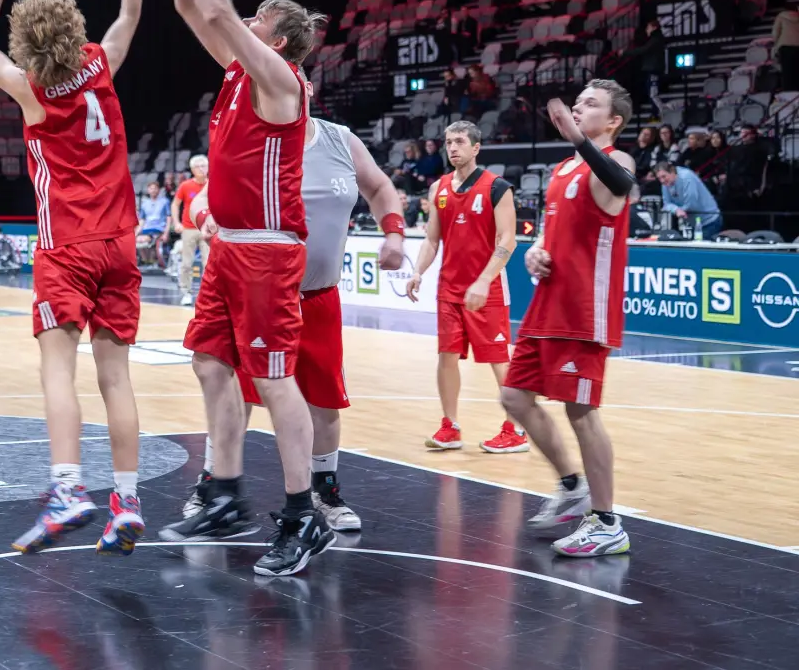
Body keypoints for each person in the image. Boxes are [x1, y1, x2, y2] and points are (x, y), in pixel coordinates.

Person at [143, 0, 333, 576]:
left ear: (276, 37)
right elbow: (193, 7)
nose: (241, 23)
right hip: (226, 249)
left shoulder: (282, 82)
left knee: (275, 380)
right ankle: (223, 491)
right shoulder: (235, 73)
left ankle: (302, 513)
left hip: (268, 255)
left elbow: (218, 8)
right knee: (210, 363)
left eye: (256, 19)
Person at [0, 0, 151, 555]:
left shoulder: (32, 92)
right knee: (117, 379)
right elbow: (130, 11)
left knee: (56, 368)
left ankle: (68, 489)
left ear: (28, 45)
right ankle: (126, 503)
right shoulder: (101, 64)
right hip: (122, 245)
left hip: (67, 245)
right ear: (75, 31)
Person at [185, 110, 407, 534]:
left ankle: (325, 491)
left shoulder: (340, 139)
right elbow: (202, 197)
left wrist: (394, 231)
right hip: (258, 293)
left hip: (318, 294)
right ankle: (213, 483)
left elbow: (378, 186)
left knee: (324, 399)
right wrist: (203, 218)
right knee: (239, 393)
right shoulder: (251, 137)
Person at [501, 81, 635, 558]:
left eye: (591, 105)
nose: (579, 108)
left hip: (583, 310)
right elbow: (557, 233)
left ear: (613, 121)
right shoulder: (562, 169)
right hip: (547, 307)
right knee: (514, 397)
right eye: (577, 103)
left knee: (581, 411)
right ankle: (572, 484)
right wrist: (537, 252)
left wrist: (580, 140)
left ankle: (607, 522)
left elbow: (623, 188)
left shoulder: (617, 161)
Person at [406, 121, 527, 454]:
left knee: (499, 360)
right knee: (446, 357)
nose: (452, 148)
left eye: (459, 141)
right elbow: (432, 239)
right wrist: (417, 271)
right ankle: (450, 426)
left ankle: (515, 428)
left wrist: (484, 281)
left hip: (487, 290)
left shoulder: (497, 187)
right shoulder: (439, 188)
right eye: (448, 142)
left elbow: (508, 240)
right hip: (449, 289)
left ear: (476, 147)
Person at [170, 154, 209, 306]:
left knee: (208, 264)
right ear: (192, 169)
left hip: (207, 229)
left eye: (204, 165)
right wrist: (177, 222)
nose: (201, 169)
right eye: (198, 166)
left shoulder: (213, 183)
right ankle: (186, 292)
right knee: (187, 263)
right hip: (189, 229)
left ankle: (206, 294)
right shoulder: (185, 186)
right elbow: (175, 204)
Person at [652, 162, 722, 238]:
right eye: (659, 178)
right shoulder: (666, 183)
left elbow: (691, 205)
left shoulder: (686, 177)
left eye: (664, 176)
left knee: (699, 249)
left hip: (709, 221)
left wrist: (678, 210)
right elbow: (666, 204)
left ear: (672, 172)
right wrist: (676, 210)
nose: (662, 181)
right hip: (692, 223)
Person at [136, 181, 171, 267]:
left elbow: (169, 217)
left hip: (159, 229)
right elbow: (142, 219)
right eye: (151, 188)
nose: (153, 190)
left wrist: (166, 232)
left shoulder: (165, 201)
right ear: (148, 190)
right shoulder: (144, 203)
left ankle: (153, 260)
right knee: (138, 240)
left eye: (155, 188)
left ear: (158, 190)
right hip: (147, 229)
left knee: (146, 240)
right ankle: (147, 260)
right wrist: (136, 232)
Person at [773, 0, 799, 91]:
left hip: (785, 46)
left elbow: (776, 32)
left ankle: (788, 91)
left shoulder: (781, 17)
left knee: (787, 71)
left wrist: (775, 43)